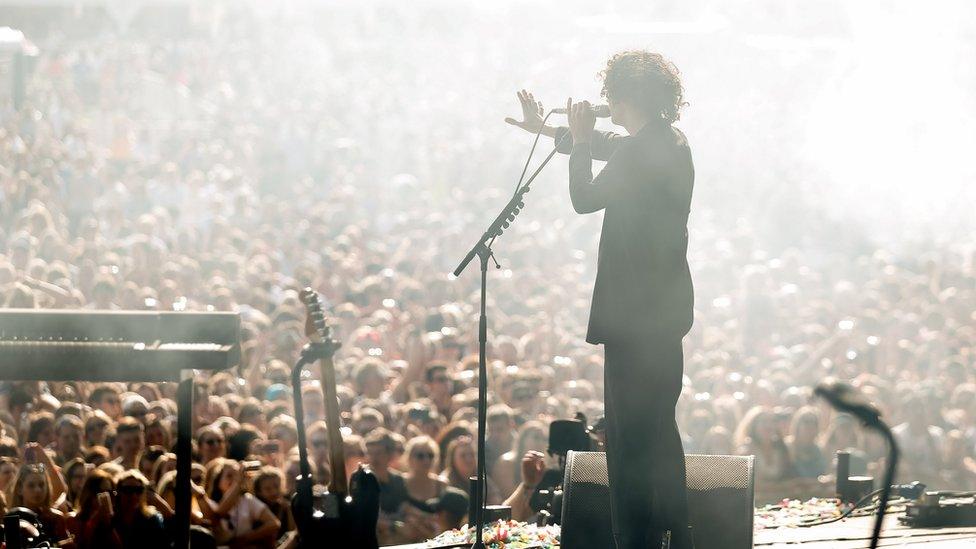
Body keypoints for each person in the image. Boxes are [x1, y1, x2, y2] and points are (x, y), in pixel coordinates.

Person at [508, 49, 695, 548]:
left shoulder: (644, 150)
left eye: (611, 93)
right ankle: (678, 536)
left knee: (630, 441)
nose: (606, 101)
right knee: (658, 431)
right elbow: (609, 144)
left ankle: (635, 539)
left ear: (625, 95)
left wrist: (580, 140)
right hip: (662, 314)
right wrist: (547, 132)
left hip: (634, 317)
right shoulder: (668, 141)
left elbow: (584, 198)